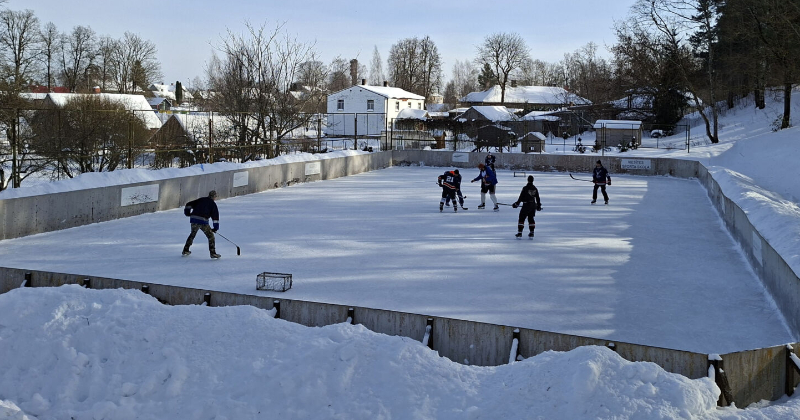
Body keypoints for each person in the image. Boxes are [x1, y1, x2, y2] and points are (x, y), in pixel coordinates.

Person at [182, 190, 221, 258]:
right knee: (211, 236)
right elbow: (215, 217)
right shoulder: (213, 204)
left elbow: (188, 204)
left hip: (194, 219)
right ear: (214, 197)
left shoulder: (201, 200)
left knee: (192, 234)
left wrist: (187, 213)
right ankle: (213, 253)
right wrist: (215, 228)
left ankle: (185, 250)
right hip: (203, 221)